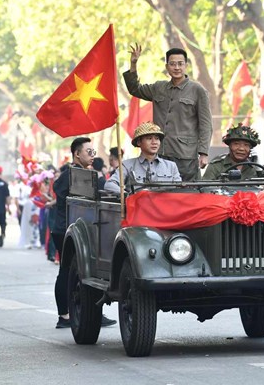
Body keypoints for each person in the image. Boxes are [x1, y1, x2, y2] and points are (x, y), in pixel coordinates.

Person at [123, 45, 213, 181]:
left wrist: (204, 153)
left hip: (185, 156)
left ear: (186, 66)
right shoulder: (159, 88)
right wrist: (134, 63)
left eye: (180, 64)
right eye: (172, 64)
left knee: (187, 194)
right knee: (160, 194)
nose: (176, 67)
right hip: (160, 154)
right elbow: (135, 89)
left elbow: (206, 124)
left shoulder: (197, 90)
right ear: (167, 67)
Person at [52, 137, 116, 329]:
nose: (92, 155)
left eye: (93, 152)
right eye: (88, 151)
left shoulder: (84, 174)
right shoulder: (70, 175)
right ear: (77, 153)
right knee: (67, 272)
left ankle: (92, 312)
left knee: (86, 271)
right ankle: (64, 316)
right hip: (66, 230)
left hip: (82, 229)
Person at [105, 122, 181, 193]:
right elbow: (109, 185)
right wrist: (128, 196)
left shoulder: (171, 166)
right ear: (139, 142)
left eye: (157, 138)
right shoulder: (127, 165)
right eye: (149, 138)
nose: (154, 142)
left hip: (165, 206)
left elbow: (179, 190)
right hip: (138, 206)